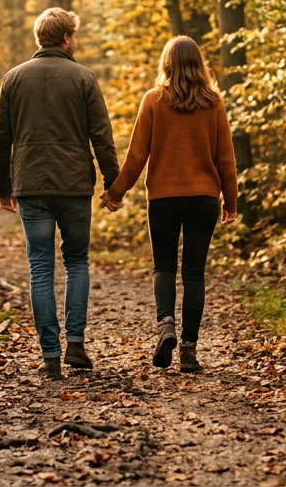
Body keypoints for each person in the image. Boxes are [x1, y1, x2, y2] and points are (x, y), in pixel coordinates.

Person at [0, 8, 119, 378]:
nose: (75, 42)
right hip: (75, 185)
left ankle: (50, 356)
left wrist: (4, 188)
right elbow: (102, 137)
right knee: (76, 261)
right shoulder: (84, 77)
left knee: (40, 267)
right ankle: (75, 344)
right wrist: (114, 184)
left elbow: (0, 141)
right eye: (74, 36)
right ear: (66, 38)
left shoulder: (13, 78)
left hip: (31, 186)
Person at [100, 36, 237, 373]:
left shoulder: (154, 100)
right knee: (194, 273)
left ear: (167, 64)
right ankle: (189, 351)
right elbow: (226, 161)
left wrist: (115, 193)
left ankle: (165, 326)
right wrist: (230, 202)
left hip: (162, 199)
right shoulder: (214, 103)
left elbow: (136, 156)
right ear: (199, 64)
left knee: (163, 266)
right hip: (204, 198)